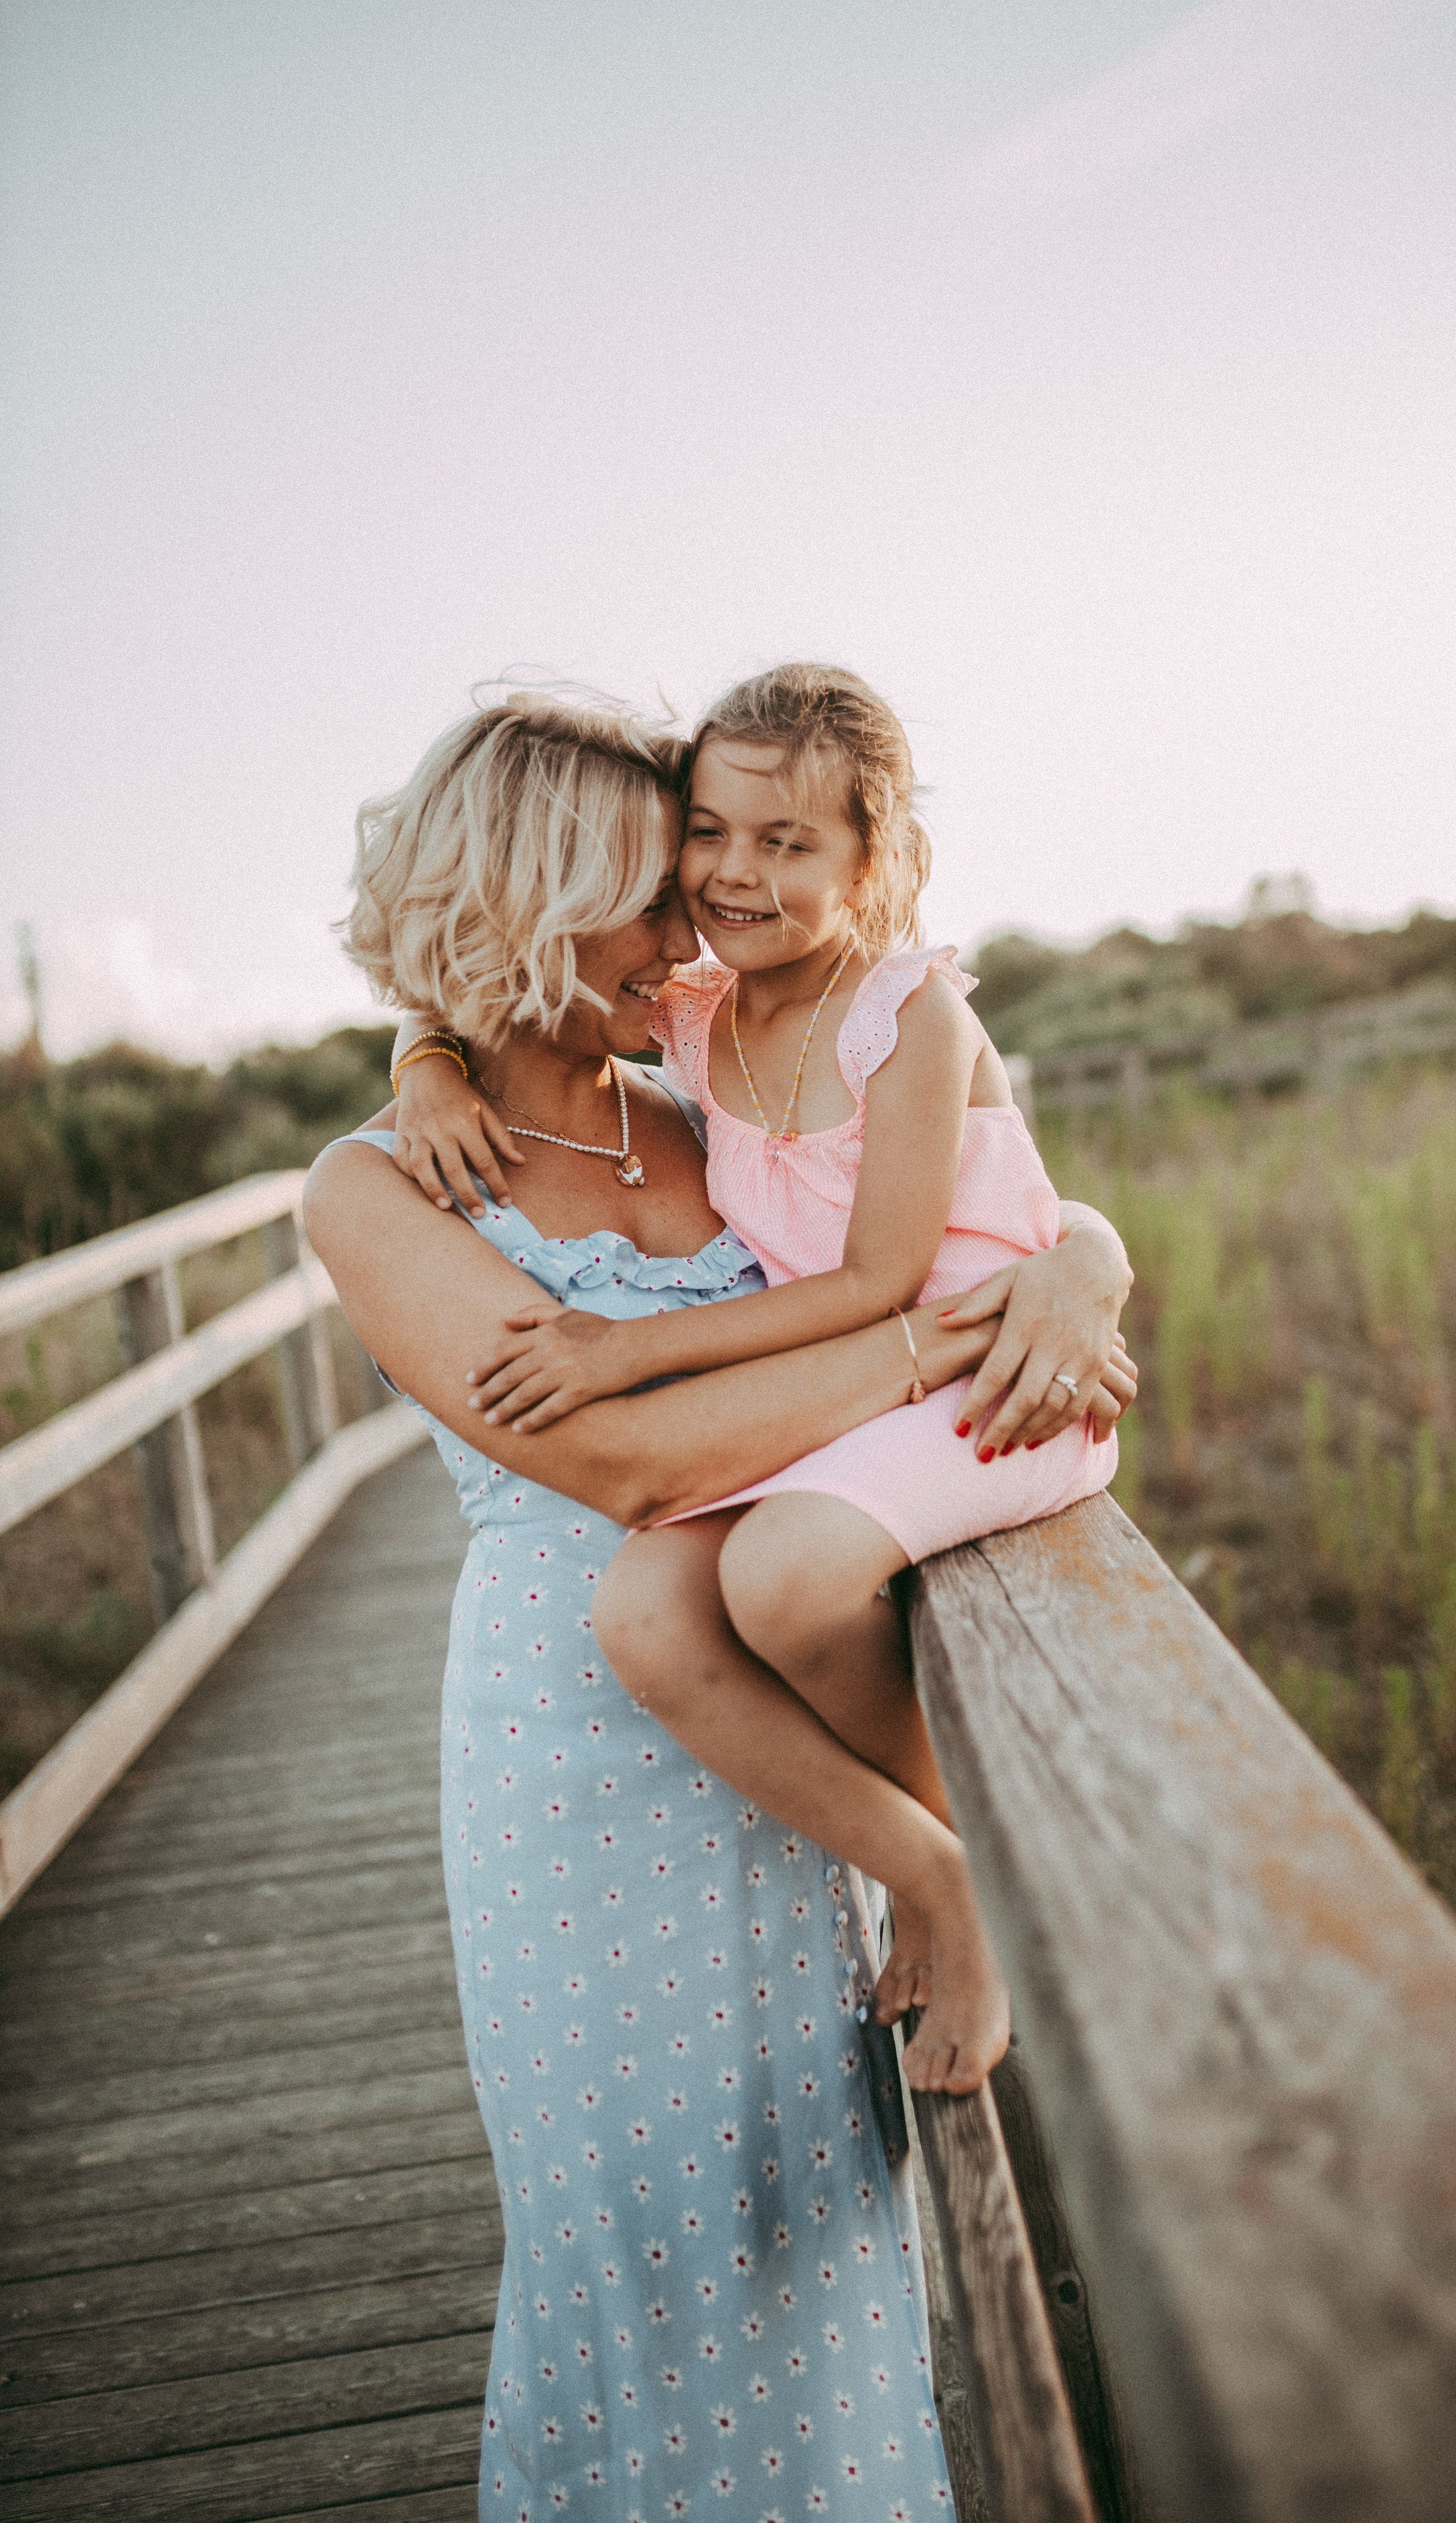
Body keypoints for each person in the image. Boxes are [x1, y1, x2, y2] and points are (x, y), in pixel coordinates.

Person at [305, 689, 1135, 2522]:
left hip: (774, 1740)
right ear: (521, 908)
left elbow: (979, 1176)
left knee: (821, 2217)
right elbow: (631, 1476)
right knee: (643, 2245)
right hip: (577, 1760)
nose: (695, 924)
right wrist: (930, 1339)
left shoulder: (700, 1104)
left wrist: (1081, 1262)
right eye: (653, 887)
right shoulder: (374, 1186)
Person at [394, 665, 1116, 2100]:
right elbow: (500, 972)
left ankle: (963, 1880)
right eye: (707, 836)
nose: (730, 875)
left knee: (782, 1577)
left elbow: (878, 1279)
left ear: (873, 858)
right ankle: (924, 1870)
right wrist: (421, 1058)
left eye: (786, 842)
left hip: (988, 1379)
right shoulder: (696, 1015)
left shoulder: (909, 1015)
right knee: (644, 1612)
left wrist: (623, 1343)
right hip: (863, 1405)